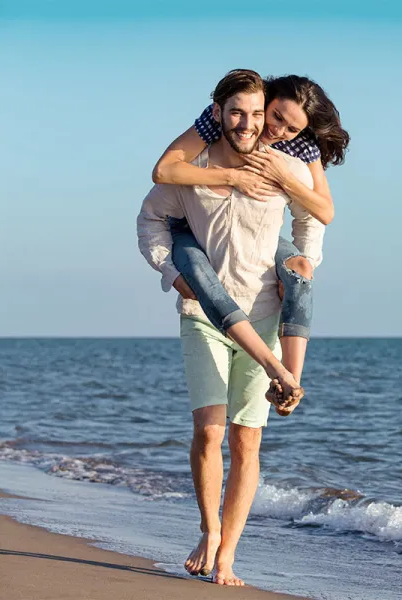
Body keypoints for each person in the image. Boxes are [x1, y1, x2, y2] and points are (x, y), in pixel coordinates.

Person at [137, 69, 320, 585]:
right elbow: (150, 218)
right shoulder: (193, 168)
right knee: (209, 430)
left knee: (247, 441)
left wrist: (304, 262)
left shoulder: (283, 166)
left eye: (257, 114)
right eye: (236, 112)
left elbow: (313, 215)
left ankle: (228, 555)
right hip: (203, 315)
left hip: (263, 313)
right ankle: (208, 529)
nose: (247, 122)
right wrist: (173, 274)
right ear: (217, 112)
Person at [152, 72, 349, 412]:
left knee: (301, 268)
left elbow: (323, 212)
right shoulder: (222, 121)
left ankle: (289, 384)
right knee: (202, 275)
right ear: (265, 101)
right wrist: (233, 177)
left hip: (256, 233)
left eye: (291, 128)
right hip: (191, 224)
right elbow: (164, 171)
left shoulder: (301, 146)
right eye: (275, 117)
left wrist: (285, 178)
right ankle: (276, 371)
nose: (278, 131)